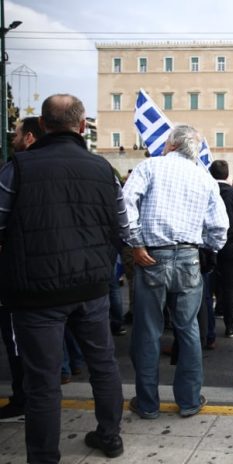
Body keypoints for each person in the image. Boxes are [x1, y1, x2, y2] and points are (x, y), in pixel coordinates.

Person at [0, 94, 130, 461]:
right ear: (83, 125)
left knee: (42, 382)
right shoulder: (103, 169)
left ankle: (43, 457)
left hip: (35, 292)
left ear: (41, 126)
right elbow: (123, 226)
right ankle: (110, 436)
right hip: (90, 287)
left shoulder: (18, 168)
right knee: (103, 366)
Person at [123, 124, 228, 421]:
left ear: (170, 144)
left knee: (147, 331)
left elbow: (126, 203)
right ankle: (189, 400)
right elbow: (219, 226)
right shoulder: (204, 177)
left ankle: (147, 403)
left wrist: (136, 241)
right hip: (188, 256)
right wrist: (207, 247)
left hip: (151, 256)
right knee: (188, 329)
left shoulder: (150, 166)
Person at [0, 117, 45, 422]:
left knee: (18, 338)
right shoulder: (74, 167)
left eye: (16, 134)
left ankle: (26, 399)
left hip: (19, 272)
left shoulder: (15, 169)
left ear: (29, 137)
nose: (12, 138)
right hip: (59, 271)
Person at [208, 160, 233, 341]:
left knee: (207, 287)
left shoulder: (206, 190)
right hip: (230, 245)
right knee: (229, 286)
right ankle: (230, 325)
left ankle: (207, 329)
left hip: (207, 245)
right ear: (227, 174)